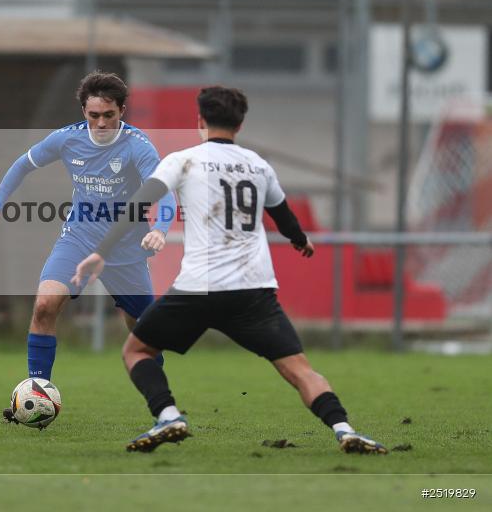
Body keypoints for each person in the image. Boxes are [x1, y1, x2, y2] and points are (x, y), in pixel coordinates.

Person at [72, 86, 387, 455]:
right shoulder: (258, 165)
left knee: (136, 351)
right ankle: (344, 429)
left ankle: (168, 415)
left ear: (200, 121)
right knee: (300, 370)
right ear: (240, 124)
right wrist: (300, 240)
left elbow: (138, 203)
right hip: (253, 290)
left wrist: (102, 251)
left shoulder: (183, 160)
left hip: (198, 288)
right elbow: (283, 216)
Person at [0, 71, 176, 420]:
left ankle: (162, 405)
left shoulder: (138, 145)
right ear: (84, 111)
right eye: (94, 115)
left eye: (109, 115)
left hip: (126, 250)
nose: (101, 123)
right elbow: (22, 165)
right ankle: (37, 395)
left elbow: (164, 190)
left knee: (145, 333)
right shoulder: (67, 139)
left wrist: (160, 228)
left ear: (122, 111)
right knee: (44, 306)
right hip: (78, 239)